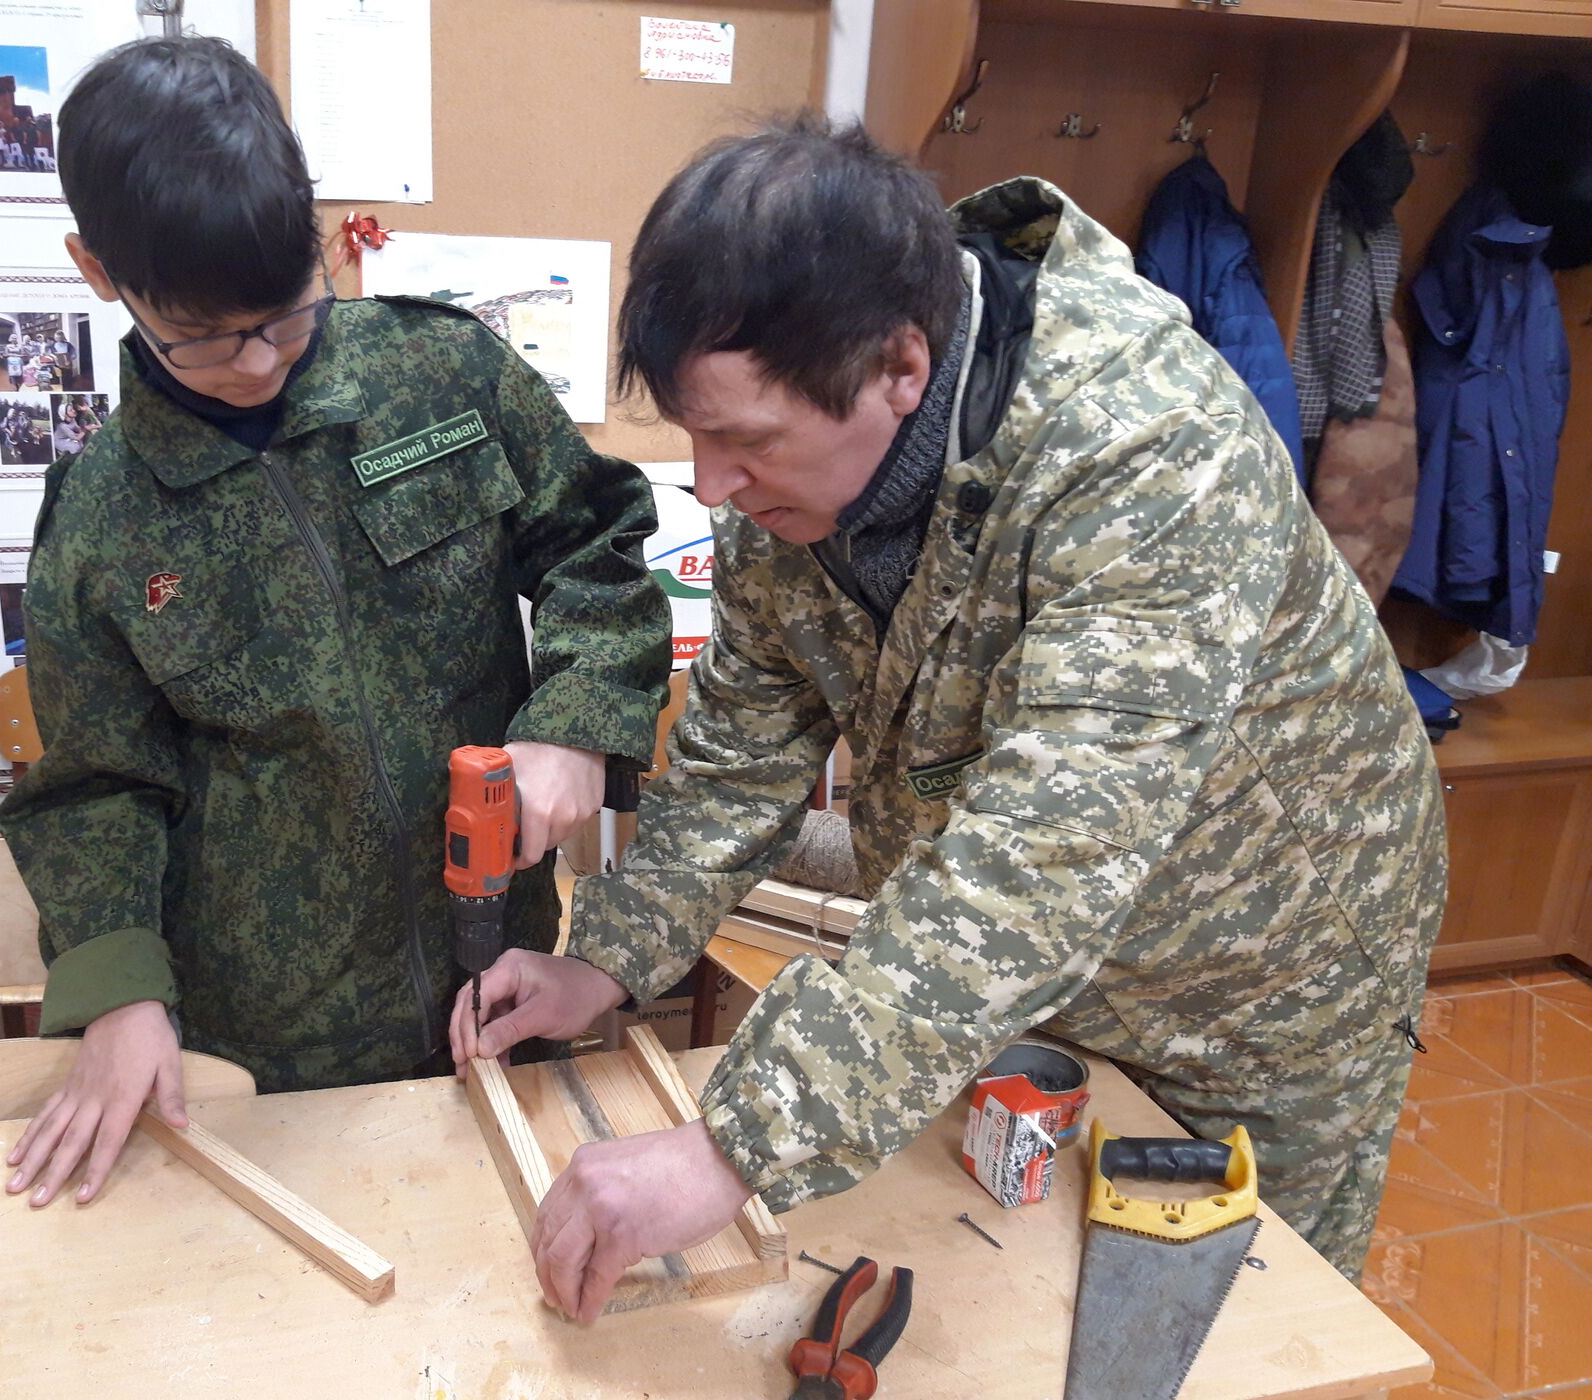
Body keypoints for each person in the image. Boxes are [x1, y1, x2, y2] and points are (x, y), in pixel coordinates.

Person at [453, 118, 1447, 1318]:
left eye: (744, 442)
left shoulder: (1145, 447)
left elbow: (1043, 857)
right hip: (1030, 977)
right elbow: (734, 758)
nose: (709, 484)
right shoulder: (788, 491)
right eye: (695, 438)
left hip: (1257, 985)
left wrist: (733, 1144)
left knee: (1247, 1336)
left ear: (901, 368)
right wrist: (606, 958)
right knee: (1017, 1311)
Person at [0, 36, 671, 1211]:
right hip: (272, 1047)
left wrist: (572, 722)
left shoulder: (438, 373)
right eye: (210, 334)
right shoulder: (102, 523)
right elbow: (93, 789)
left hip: (497, 972)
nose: (260, 360)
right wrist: (117, 993)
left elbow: (594, 540)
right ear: (96, 270)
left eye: (287, 314)